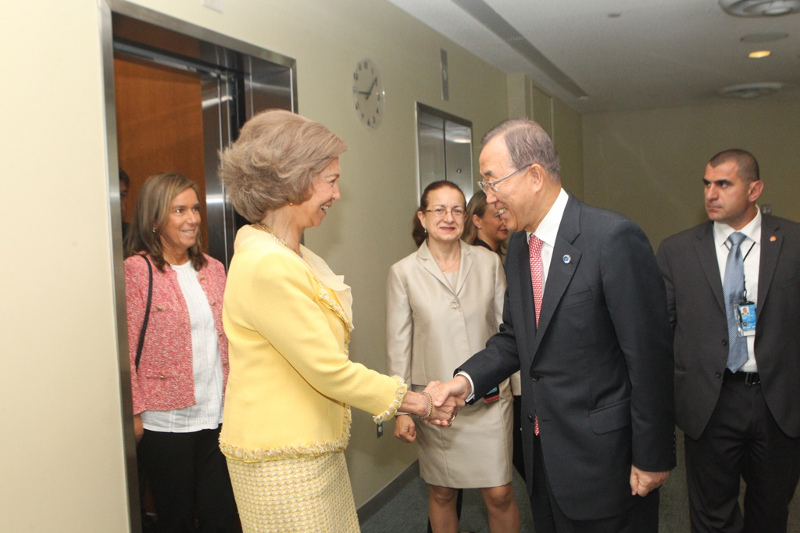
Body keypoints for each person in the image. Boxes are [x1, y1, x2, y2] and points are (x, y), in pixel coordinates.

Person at [216, 109, 458, 533]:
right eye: (330, 180)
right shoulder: (267, 265)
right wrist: (417, 401)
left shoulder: (293, 255)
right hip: (282, 459)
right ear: (293, 180)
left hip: (308, 447)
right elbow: (327, 368)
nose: (337, 194)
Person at [433, 118, 675, 532]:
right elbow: (516, 338)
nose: (489, 199)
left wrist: (653, 455)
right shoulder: (520, 250)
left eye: (493, 182)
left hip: (605, 461)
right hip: (544, 458)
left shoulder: (612, 239)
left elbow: (648, 357)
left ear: (534, 176)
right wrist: (466, 381)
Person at [656, 149, 800, 533]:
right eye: (707, 184)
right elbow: (661, 333)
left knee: (771, 512)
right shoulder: (677, 251)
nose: (711, 194)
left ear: (754, 189)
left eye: (723, 184)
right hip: (710, 401)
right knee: (711, 515)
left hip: (778, 403)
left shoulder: (794, 243)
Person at [387, 181, 520, 533]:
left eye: (457, 209)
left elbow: (511, 332)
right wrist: (402, 407)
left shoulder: (489, 262)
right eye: (439, 210)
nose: (449, 217)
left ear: (466, 217)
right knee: (443, 492)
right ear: (423, 217)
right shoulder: (404, 272)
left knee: (500, 493)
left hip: (490, 399)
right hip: (435, 405)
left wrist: (520, 393)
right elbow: (399, 344)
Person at [124, 172, 238, 532]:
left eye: (195, 208)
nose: (192, 218)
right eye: (179, 210)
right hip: (166, 422)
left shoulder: (214, 268)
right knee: (176, 519)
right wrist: (135, 413)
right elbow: (127, 348)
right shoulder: (137, 271)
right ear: (155, 219)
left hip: (217, 416)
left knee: (222, 517)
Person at [462, 189, 509, 255]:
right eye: (499, 216)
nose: (505, 222)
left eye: (506, 215)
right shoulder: (480, 257)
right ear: (477, 221)